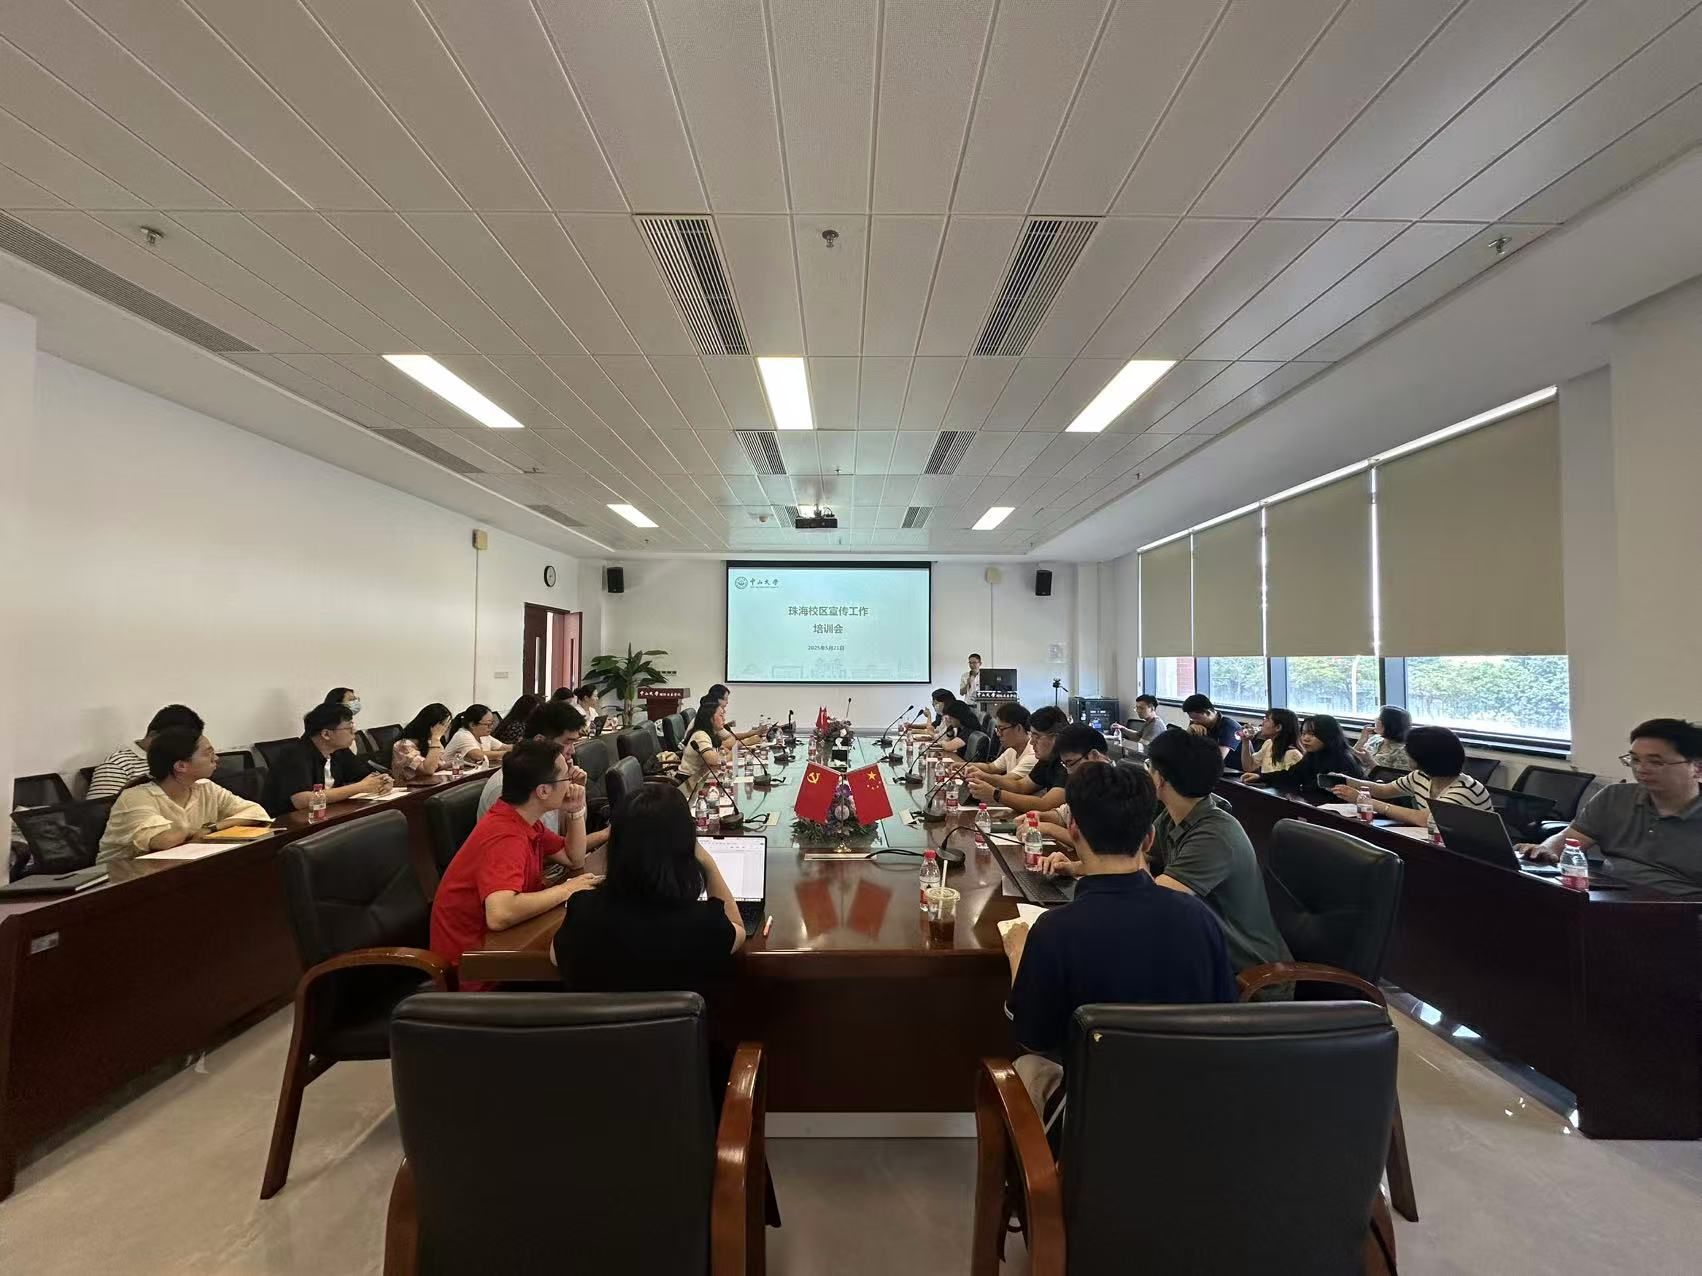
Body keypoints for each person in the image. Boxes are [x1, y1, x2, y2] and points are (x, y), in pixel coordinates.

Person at [1002, 762, 1236, 1129]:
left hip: (1097, 1120)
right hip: (1194, 1113)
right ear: (1149, 839)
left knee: (1026, 1067)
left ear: (1073, 830)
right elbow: (1225, 1023)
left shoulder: (1055, 931)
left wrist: (1018, 955)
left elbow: (1034, 1039)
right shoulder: (1201, 919)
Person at [429, 739, 596, 990]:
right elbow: (500, 914)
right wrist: (567, 889)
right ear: (543, 791)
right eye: (565, 777)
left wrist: (575, 811)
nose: (571, 782)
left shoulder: (523, 819)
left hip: (508, 945)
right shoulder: (504, 835)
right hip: (479, 971)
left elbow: (574, 858)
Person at [554, 784, 746, 991]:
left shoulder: (582, 913)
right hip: (685, 1014)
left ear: (615, 846)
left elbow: (555, 956)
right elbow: (737, 927)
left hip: (598, 1014)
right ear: (686, 848)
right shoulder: (706, 923)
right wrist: (708, 864)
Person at [1144, 729, 1291, 981]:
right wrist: (1077, 867)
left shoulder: (1215, 835)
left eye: (1149, 767)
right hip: (1201, 952)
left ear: (1160, 780)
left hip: (1247, 975)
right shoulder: (1174, 816)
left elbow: (1153, 901)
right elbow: (1141, 856)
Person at [1518, 719, 1702, 898]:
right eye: (1635, 759)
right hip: (1609, 896)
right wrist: (1546, 849)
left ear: (1698, 768)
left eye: (1656, 762)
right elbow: (1569, 839)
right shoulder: (1615, 796)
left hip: (1678, 907)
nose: (1641, 769)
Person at [98, 728, 271, 862]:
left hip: (178, 868)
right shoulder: (135, 797)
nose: (216, 758)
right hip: (119, 880)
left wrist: (211, 828)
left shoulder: (205, 787)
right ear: (181, 766)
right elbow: (163, 840)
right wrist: (194, 831)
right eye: (208, 754)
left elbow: (255, 812)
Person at [477, 702, 601, 859]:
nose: (573, 751)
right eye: (567, 742)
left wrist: (575, 799)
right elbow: (544, 856)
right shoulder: (508, 786)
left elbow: (568, 843)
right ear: (540, 741)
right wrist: (605, 834)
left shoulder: (552, 776)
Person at [1331, 725, 1491, 826]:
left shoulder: (1464, 790)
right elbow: (1383, 790)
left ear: (1424, 758)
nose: (1405, 752)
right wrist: (1346, 780)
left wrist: (1364, 801)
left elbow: (1424, 819)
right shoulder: (1421, 776)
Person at [261, 701, 390, 816]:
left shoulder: (339, 751)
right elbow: (301, 800)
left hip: (326, 815)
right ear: (326, 734)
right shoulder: (294, 755)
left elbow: (364, 776)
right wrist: (360, 787)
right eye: (349, 728)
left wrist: (382, 781)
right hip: (289, 824)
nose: (354, 731)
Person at [87, 704, 205, 799]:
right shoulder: (117, 766)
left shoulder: (182, 761)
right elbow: (97, 813)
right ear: (153, 735)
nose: (182, 748)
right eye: (177, 741)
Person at [968, 706, 1067, 810]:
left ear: (1056, 738)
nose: (1032, 742)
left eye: (1036, 737)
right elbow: (1021, 786)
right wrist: (983, 777)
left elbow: (1045, 804)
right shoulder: (1047, 759)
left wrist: (996, 794)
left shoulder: (1068, 764)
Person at [1272, 714, 1364, 793]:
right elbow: (1290, 776)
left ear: (1327, 735)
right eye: (1303, 733)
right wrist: (1264, 777)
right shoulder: (1312, 755)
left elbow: (1324, 790)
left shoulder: (1343, 760)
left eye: (1312, 734)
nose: (1305, 738)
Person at [967, 702, 1037, 781]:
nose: (998, 734)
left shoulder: (1033, 754)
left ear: (1018, 728)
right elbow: (991, 768)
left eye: (1001, 729)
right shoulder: (1013, 749)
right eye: (997, 729)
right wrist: (962, 766)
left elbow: (1007, 780)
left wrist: (979, 776)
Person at [678, 696, 728, 797]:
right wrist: (727, 756)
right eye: (721, 715)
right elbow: (712, 760)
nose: (724, 719)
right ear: (710, 719)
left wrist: (724, 754)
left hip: (701, 778)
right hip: (689, 782)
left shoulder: (711, 733)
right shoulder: (700, 735)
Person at [1239, 708, 1303, 782]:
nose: (1263, 723)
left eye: (1267, 719)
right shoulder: (1269, 743)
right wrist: (1246, 741)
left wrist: (1261, 778)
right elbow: (1248, 767)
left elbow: (1290, 782)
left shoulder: (1293, 754)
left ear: (1278, 727)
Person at [392, 703, 451, 782]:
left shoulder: (430, 741)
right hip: (409, 787)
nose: (445, 729)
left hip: (430, 784)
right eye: (443, 725)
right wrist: (436, 739)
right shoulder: (403, 745)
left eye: (447, 725)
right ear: (430, 724)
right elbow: (428, 770)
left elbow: (437, 765)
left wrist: (452, 764)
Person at [1353, 706, 1414, 773]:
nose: (1375, 719)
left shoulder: (1403, 752)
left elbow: (1395, 778)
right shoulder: (1375, 739)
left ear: (1389, 725)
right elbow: (1349, 760)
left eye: (1379, 719)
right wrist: (1362, 740)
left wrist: (1370, 762)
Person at [444, 704, 509, 766]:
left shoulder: (484, 736)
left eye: (492, 723)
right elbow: (478, 755)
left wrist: (515, 749)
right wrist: (509, 754)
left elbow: (504, 747)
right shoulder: (462, 735)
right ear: (472, 725)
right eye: (488, 724)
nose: (491, 727)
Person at [1182, 693, 1242, 758]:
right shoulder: (1196, 723)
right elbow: (1183, 749)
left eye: (1196, 718)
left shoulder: (1229, 727)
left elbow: (1217, 759)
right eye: (1191, 718)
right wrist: (1188, 732)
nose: (1194, 721)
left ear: (1208, 713)